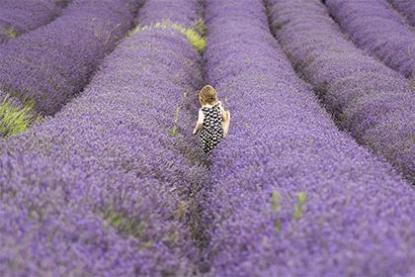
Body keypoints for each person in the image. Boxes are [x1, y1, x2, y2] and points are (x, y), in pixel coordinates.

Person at [192, 85, 230, 153]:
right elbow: (224, 118)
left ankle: (206, 154)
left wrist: (195, 130)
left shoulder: (202, 110)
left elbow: (200, 122)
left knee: (204, 137)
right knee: (227, 117)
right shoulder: (219, 107)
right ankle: (224, 140)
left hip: (207, 140)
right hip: (218, 137)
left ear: (201, 99)